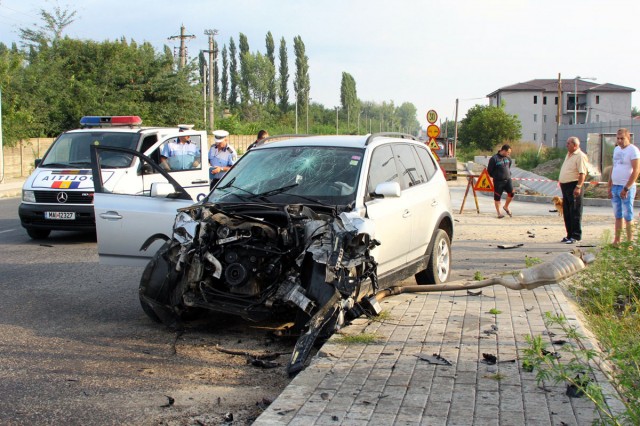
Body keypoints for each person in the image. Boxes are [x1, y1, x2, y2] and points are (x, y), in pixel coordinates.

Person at [607, 128, 640, 247]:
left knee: (627, 215)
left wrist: (626, 187)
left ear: (628, 138)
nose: (620, 141)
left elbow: (636, 170)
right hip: (615, 186)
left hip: (626, 187)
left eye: (622, 138)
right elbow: (613, 167)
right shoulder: (616, 149)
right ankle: (617, 240)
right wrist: (609, 184)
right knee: (618, 215)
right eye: (618, 138)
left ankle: (629, 242)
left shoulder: (633, 150)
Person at [558, 136, 588, 244]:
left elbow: (582, 173)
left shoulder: (580, 156)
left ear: (575, 145)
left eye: (568, 143)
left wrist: (578, 186)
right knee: (567, 211)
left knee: (575, 211)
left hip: (573, 185)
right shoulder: (569, 155)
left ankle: (575, 235)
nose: (567, 145)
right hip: (565, 186)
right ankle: (569, 234)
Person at [487, 144, 514, 219]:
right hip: (498, 182)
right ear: (503, 150)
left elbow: (509, 167)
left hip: (508, 180)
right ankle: (499, 213)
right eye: (508, 152)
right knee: (497, 197)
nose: (509, 154)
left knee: (511, 193)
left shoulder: (508, 158)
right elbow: (489, 171)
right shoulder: (494, 159)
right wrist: (496, 176)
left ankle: (506, 207)